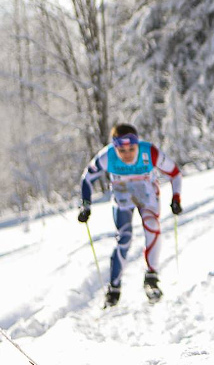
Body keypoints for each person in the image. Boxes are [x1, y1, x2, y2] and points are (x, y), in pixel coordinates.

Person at [78, 123, 183, 307]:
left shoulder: (149, 152)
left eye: (131, 149)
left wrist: (176, 198)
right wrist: (86, 205)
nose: (127, 154)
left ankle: (151, 278)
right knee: (124, 238)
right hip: (122, 196)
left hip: (147, 194)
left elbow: (175, 173)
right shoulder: (107, 156)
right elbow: (87, 177)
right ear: (115, 147)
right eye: (122, 150)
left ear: (137, 144)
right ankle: (114, 289)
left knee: (152, 226)